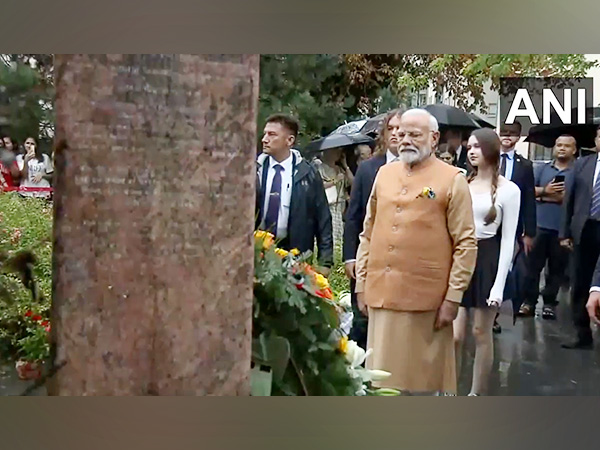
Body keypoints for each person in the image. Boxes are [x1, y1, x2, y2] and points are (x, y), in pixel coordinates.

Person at [355, 108, 477, 395]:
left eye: (414, 134)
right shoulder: (384, 174)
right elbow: (368, 232)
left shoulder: (452, 179)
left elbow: (466, 243)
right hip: (381, 295)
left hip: (427, 301)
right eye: (401, 134)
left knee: (422, 385)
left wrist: (453, 297)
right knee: (380, 382)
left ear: (434, 138)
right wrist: (362, 282)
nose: (405, 139)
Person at [453, 128, 520, 396]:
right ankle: (449, 390)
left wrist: (498, 287)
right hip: (460, 256)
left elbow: (508, 241)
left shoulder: (509, 190)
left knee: (481, 332)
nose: (471, 151)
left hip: (488, 258)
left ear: (491, 150)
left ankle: (476, 393)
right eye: (469, 146)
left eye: (477, 146)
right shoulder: (461, 183)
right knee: (455, 335)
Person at [343, 108, 403, 350]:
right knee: (363, 326)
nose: (397, 134)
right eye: (392, 129)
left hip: (401, 262)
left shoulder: (421, 169)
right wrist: (350, 256)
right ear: (384, 135)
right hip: (369, 258)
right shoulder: (368, 169)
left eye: (402, 129)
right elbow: (354, 216)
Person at [256, 113, 333, 274]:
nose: (264, 139)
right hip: (257, 252)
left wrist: (325, 260)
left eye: (272, 134)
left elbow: (323, 217)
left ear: (289, 140)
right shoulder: (255, 169)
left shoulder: (307, 173)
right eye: (265, 134)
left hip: (296, 254)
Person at [519, 135, 577, 320]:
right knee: (532, 268)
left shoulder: (578, 171)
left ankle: (549, 303)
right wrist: (546, 192)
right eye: (558, 145)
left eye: (567, 146)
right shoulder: (541, 169)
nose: (562, 148)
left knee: (557, 270)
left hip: (562, 228)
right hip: (539, 225)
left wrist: (560, 198)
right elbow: (529, 191)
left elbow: (576, 198)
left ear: (574, 150)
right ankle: (528, 302)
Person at [493, 121, 537, 333]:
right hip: (489, 222)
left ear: (518, 137)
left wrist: (529, 232)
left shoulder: (525, 165)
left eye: (512, 134)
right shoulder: (488, 159)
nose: (507, 137)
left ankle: (502, 307)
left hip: (514, 224)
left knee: (508, 267)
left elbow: (529, 198)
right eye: (504, 133)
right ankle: (489, 313)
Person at [559, 125, 600, 349]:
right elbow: (569, 199)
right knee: (580, 281)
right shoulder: (583, 164)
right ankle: (582, 333)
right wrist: (564, 232)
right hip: (585, 228)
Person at [314, 147, 354, 253]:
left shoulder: (339, 169)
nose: (338, 154)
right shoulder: (320, 168)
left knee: (338, 234)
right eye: (336, 152)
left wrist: (345, 166)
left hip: (339, 205)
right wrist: (335, 181)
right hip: (328, 204)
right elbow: (318, 186)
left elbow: (351, 182)